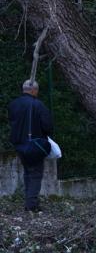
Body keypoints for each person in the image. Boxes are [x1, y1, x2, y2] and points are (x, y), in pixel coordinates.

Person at [8, 80, 53, 212]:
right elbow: (48, 126)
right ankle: (31, 205)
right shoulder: (38, 105)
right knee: (35, 174)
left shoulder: (13, 104)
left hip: (19, 145)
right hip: (35, 145)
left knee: (28, 172)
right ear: (34, 90)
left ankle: (30, 201)